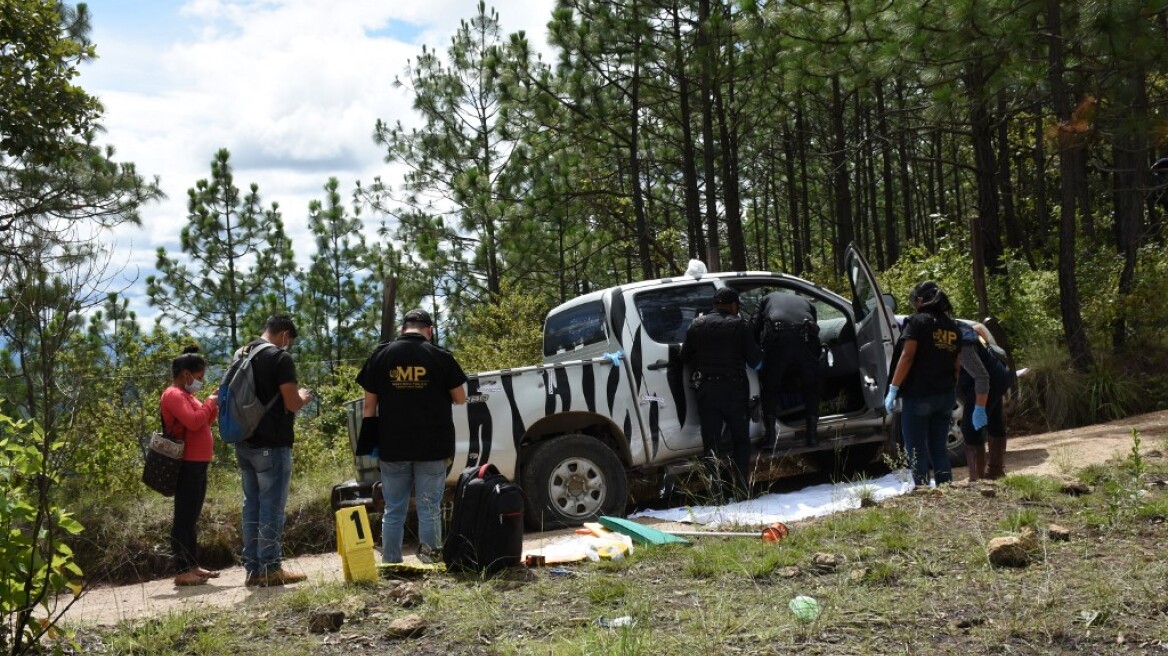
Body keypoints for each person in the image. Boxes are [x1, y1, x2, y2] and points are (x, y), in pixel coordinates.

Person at [356, 309, 468, 564]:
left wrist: (371, 441)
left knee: (394, 508)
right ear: (429, 330)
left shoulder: (381, 355)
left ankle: (391, 563)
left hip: (392, 445)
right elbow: (460, 399)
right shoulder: (440, 356)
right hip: (432, 446)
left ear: (403, 329)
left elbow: (368, 408)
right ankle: (430, 564)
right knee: (429, 508)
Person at [236, 315, 312, 586]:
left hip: (244, 442)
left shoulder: (242, 352)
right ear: (284, 335)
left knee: (252, 506)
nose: (288, 345)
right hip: (272, 444)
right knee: (272, 507)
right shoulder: (280, 358)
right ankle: (271, 567)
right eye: (289, 340)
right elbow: (291, 403)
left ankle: (253, 569)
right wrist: (303, 396)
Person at [680, 287, 763, 501]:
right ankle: (742, 491)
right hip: (734, 391)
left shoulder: (696, 325)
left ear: (715, 304)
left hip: (707, 392)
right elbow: (756, 361)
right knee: (741, 441)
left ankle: (716, 494)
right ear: (734, 305)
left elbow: (684, 356)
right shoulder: (740, 325)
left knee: (711, 446)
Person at [884, 281, 963, 486]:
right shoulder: (953, 326)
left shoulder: (917, 322)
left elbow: (907, 356)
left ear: (922, 300)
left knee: (916, 449)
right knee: (938, 447)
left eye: (916, 299)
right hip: (945, 395)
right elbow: (957, 364)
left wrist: (893, 388)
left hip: (919, 396)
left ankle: (921, 489)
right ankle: (945, 487)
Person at [160, 346, 220, 587]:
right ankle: (182, 569)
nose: (199, 382)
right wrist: (208, 402)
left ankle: (192, 565)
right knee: (183, 518)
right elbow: (195, 422)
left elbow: (205, 419)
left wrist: (212, 404)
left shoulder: (188, 396)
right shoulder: (173, 395)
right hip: (186, 464)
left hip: (198, 462)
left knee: (192, 516)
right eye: (199, 377)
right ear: (186, 374)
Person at [752, 291, 822, 449]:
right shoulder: (806, 302)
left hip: (779, 339)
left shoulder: (764, 299)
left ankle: (770, 439)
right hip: (805, 337)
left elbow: (754, 327)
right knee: (811, 385)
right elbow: (815, 329)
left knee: (770, 386)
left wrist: (755, 350)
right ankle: (812, 436)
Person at [959, 323, 1013, 480]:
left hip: (990, 380)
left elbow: (982, 377)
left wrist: (980, 407)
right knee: (995, 421)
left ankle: (977, 480)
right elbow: (979, 328)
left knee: (970, 428)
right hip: (997, 375)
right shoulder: (960, 327)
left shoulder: (959, 339)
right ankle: (996, 471)